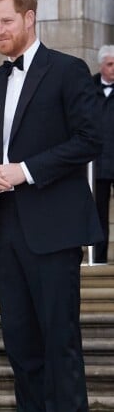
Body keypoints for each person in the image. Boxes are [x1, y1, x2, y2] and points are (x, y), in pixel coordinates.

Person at [0, 0, 102, 412]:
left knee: (59, 341)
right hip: (5, 231)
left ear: (30, 18)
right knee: (21, 345)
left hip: (54, 229)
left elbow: (90, 140)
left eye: (6, 21)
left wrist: (24, 170)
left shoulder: (68, 72)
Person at [92, 45, 114, 264]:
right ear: (101, 66)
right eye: (110, 64)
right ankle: (98, 259)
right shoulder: (89, 89)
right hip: (97, 165)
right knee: (98, 216)